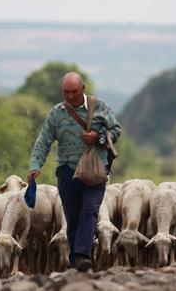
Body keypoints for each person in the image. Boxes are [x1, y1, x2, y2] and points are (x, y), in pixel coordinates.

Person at [27, 72, 122, 272]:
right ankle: (77, 262)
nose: (70, 96)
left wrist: (99, 137)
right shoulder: (56, 113)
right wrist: (36, 166)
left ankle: (82, 256)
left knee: (90, 210)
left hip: (95, 171)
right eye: (66, 92)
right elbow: (43, 141)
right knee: (73, 218)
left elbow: (116, 130)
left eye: (74, 92)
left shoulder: (99, 107)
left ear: (83, 89)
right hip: (67, 172)